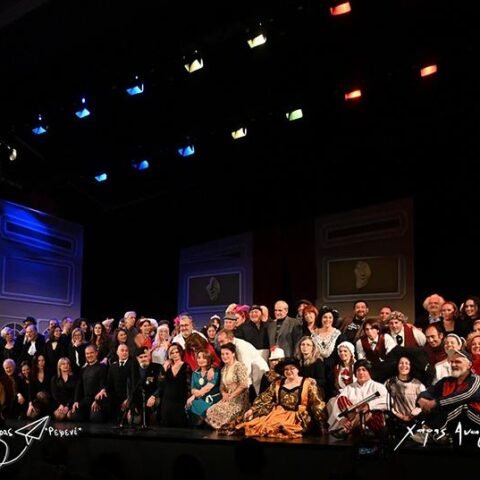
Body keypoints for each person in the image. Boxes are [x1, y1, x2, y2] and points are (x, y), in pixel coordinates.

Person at [236, 357, 326, 438]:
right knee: (260, 426)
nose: (289, 371)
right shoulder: (278, 383)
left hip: (297, 417)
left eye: (292, 368)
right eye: (286, 369)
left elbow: (317, 403)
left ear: (297, 369)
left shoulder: (307, 384)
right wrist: (252, 410)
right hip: (278, 414)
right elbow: (265, 398)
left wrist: (320, 421)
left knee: (281, 427)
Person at [413, 349, 480, 445]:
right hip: (454, 422)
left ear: (469, 365)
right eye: (452, 362)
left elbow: (467, 394)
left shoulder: (476, 380)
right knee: (431, 406)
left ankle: (435, 432)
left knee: (462, 407)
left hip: (475, 418)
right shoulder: (446, 381)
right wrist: (422, 399)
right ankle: (434, 433)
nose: (453, 365)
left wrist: (436, 403)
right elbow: (429, 392)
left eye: (458, 362)